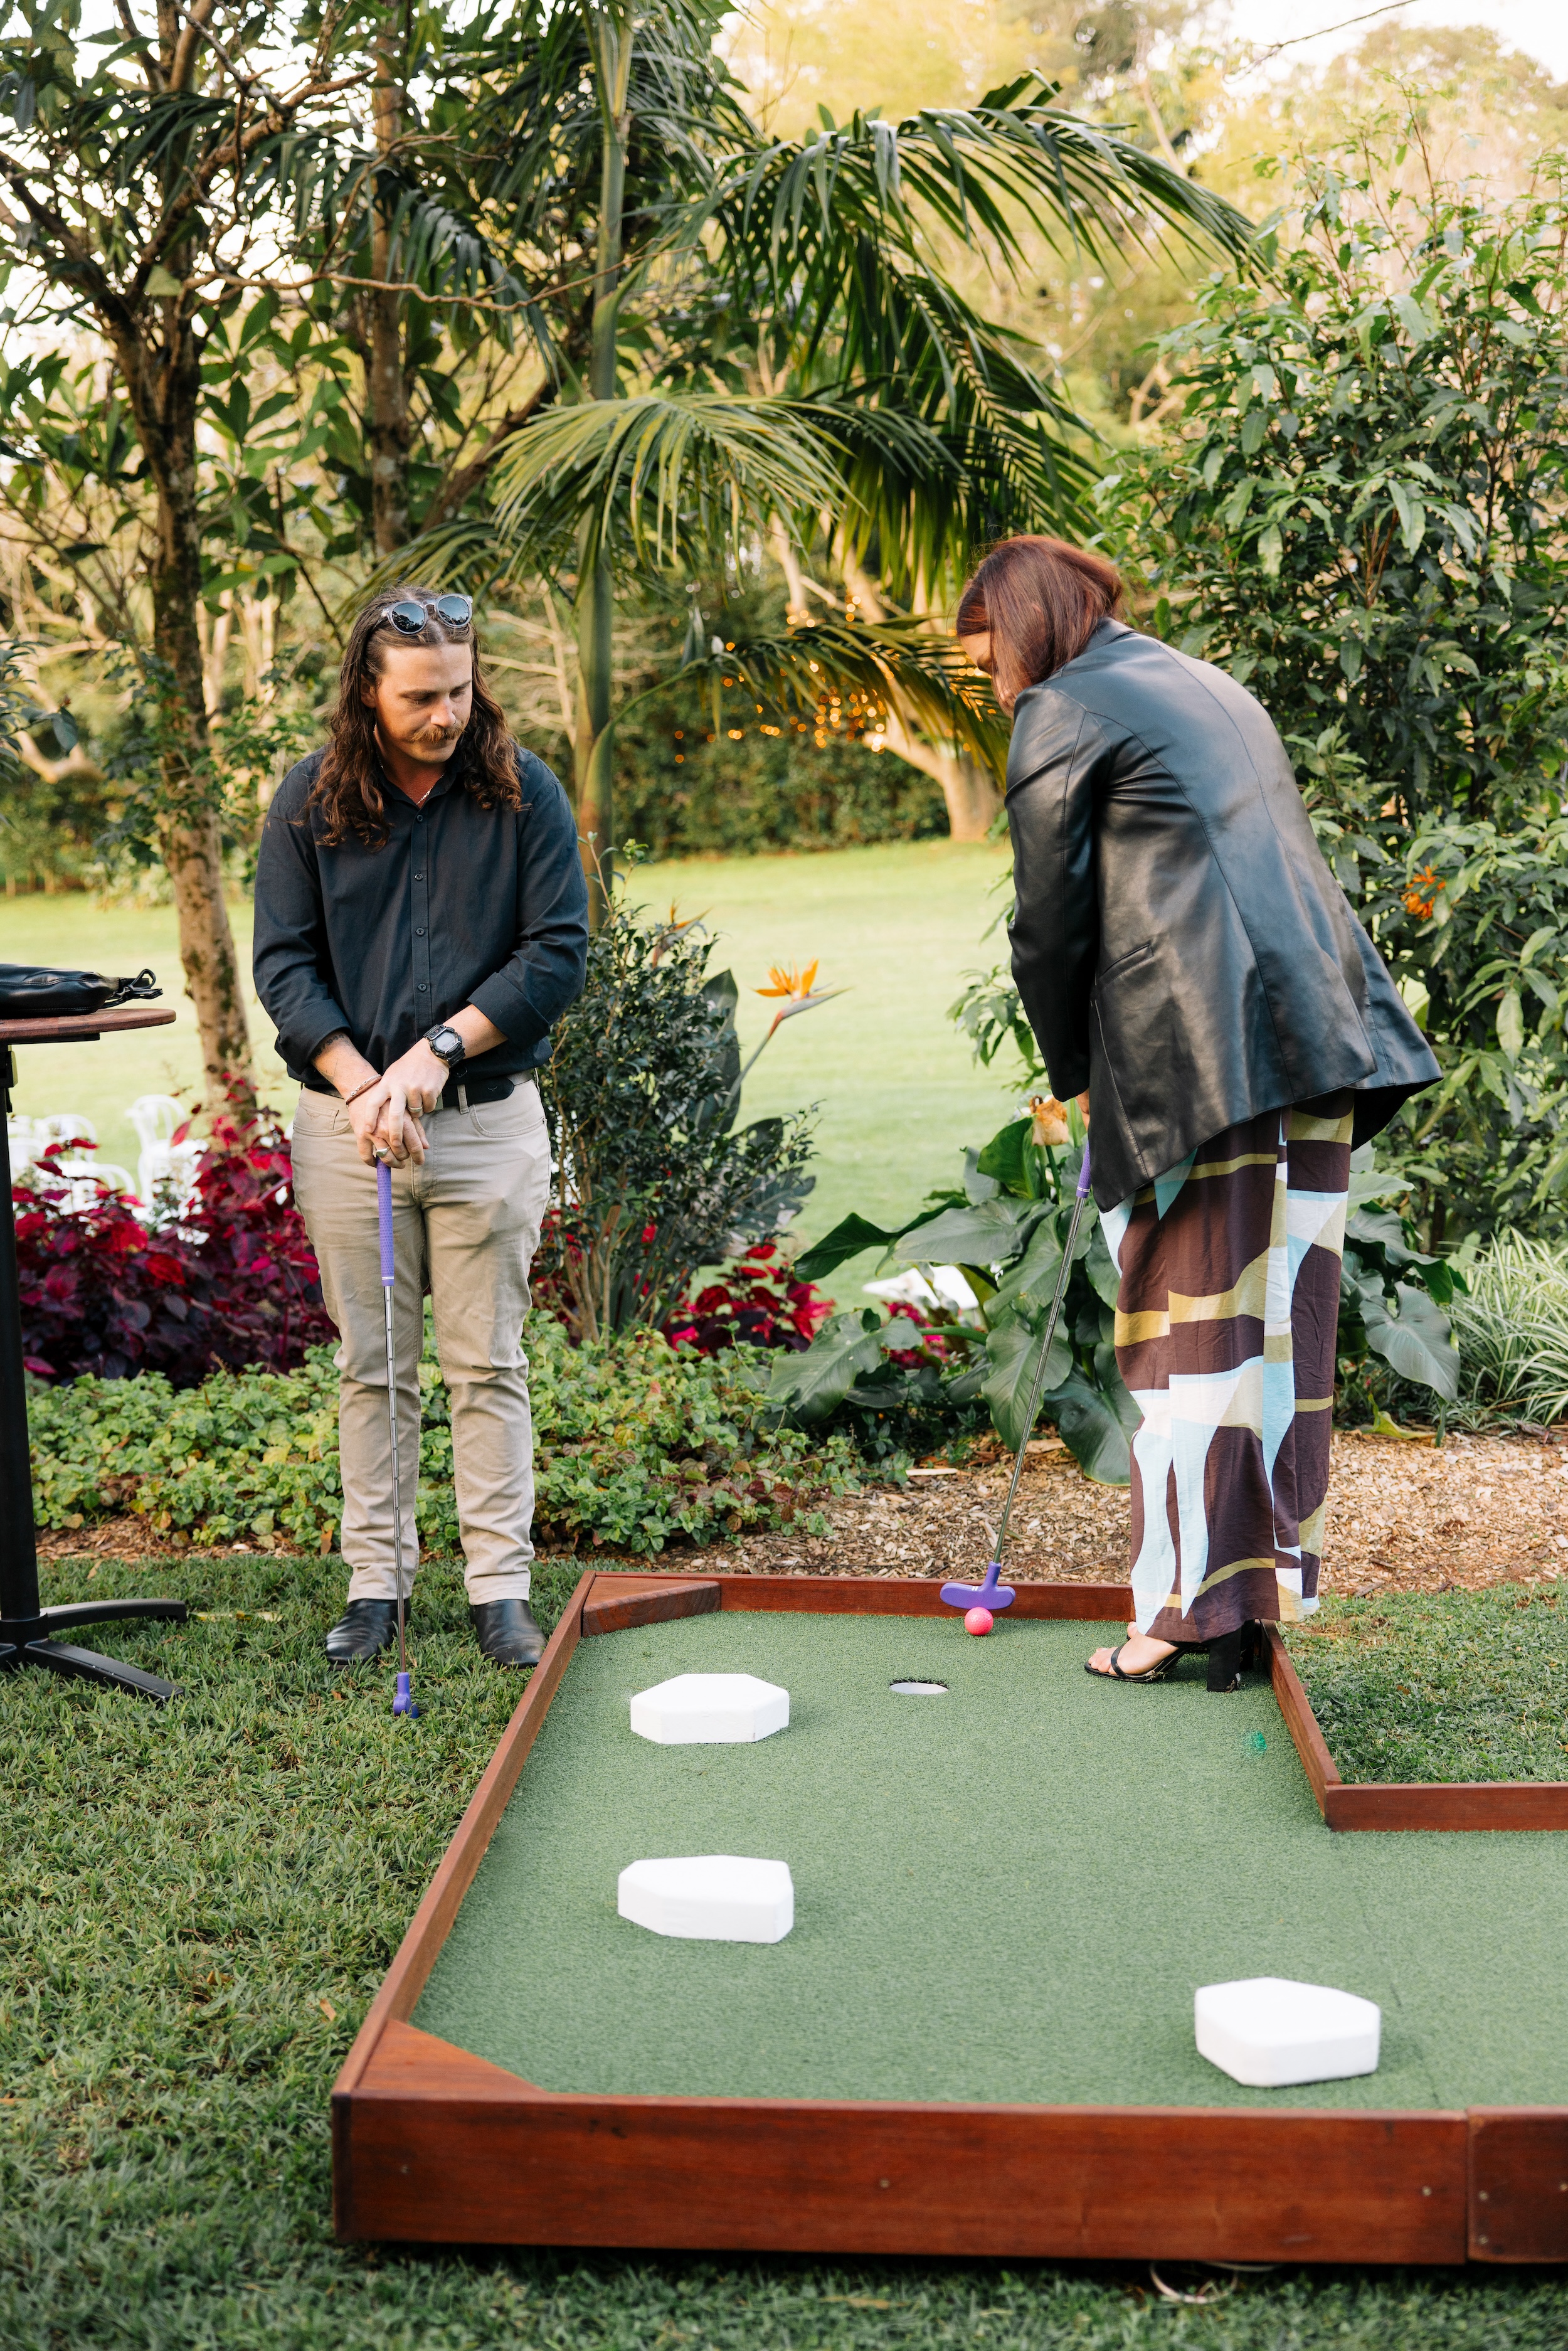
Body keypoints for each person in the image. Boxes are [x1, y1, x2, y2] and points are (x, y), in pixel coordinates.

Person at [956, 536, 1438, 1689]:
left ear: (1025, 630)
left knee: (1190, 1342)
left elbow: (1048, 926)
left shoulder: (1062, 708)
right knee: (1278, 1331)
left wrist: (1074, 1078)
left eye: (988, 666)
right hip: (1317, 1043)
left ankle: (1181, 1615)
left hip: (1207, 1062)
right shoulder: (1200, 680)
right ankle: (1254, 1602)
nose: (995, 691)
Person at [253, 588, 588, 1669]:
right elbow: (284, 965)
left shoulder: (524, 790)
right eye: (420, 698)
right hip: (349, 1131)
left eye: (459, 690)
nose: (446, 714)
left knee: (486, 1366)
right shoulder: (308, 799)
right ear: (368, 691)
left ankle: (500, 1593)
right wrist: (366, 1085)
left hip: (486, 1125)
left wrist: (436, 1055)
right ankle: (377, 1589)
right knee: (374, 1368)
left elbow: (556, 953)